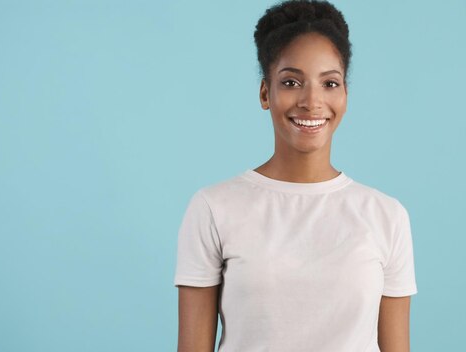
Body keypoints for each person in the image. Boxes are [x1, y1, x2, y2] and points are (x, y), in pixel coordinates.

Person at [174, 1, 418, 351]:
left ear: (346, 95)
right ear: (264, 93)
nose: (311, 101)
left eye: (330, 83)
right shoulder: (214, 208)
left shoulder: (387, 216)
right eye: (291, 81)